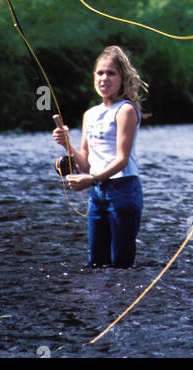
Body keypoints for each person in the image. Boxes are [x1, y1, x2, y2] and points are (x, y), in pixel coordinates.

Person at [52, 46, 146, 268]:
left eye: (111, 73)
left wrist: (92, 179)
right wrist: (68, 145)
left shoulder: (126, 110)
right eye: (100, 73)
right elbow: (85, 163)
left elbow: (122, 159)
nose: (104, 78)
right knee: (96, 264)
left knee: (121, 265)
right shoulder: (90, 114)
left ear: (122, 78)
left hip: (123, 191)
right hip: (97, 194)